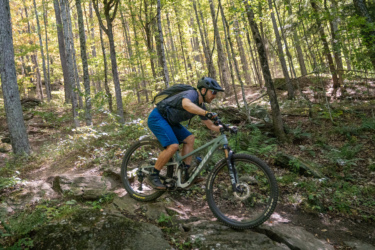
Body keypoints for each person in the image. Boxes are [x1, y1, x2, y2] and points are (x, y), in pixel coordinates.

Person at [147, 77, 224, 190]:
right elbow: (186, 104)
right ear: (203, 90)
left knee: (190, 138)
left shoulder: (201, 106)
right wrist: (206, 113)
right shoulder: (191, 94)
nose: (214, 95)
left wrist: (224, 128)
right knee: (173, 146)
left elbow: (210, 126)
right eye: (213, 92)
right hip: (157, 117)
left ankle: (185, 174)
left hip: (170, 121)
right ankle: (153, 175)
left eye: (216, 93)